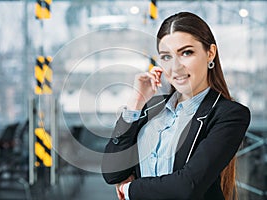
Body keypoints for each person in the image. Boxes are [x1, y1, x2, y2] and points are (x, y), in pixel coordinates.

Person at [101, 12, 251, 200]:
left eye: (186, 53)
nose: (175, 67)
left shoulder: (229, 114)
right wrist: (136, 102)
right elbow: (112, 172)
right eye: (166, 57)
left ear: (210, 53)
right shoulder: (151, 108)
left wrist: (129, 189)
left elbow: (187, 186)